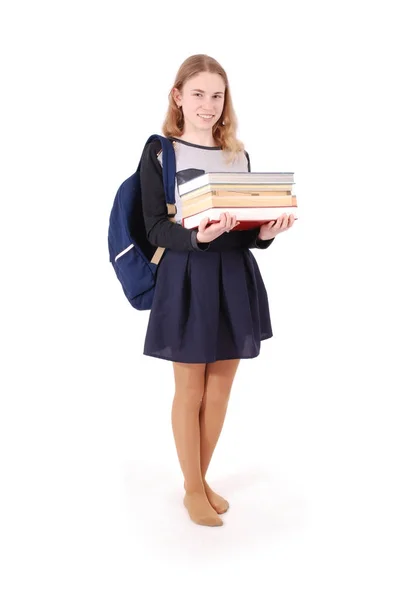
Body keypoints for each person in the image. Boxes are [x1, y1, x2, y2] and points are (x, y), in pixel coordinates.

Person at [139, 54, 295, 527]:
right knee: (190, 389)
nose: (209, 105)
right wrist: (195, 238)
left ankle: (199, 480)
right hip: (186, 276)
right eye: (199, 94)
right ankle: (192, 488)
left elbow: (243, 231)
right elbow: (152, 228)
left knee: (221, 387)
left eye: (217, 95)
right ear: (178, 96)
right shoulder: (162, 152)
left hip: (233, 275)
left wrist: (267, 231)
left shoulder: (238, 156)